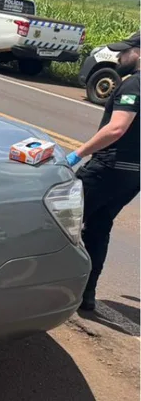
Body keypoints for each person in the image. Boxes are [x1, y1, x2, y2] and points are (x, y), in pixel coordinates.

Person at [66, 33, 140, 311]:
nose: (120, 57)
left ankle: (47, 290)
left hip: (107, 168)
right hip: (133, 175)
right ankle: (87, 294)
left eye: (125, 52)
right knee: (98, 228)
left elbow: (117, 128)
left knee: (60, 221)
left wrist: (79, 153)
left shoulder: (134, 84)